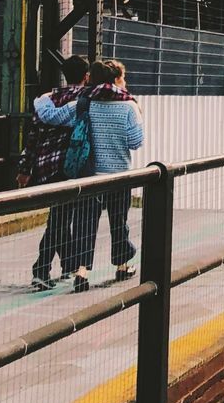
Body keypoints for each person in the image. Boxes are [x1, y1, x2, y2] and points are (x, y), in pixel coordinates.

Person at [34, 59, 144, 292]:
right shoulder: (129, 105)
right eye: (122, 78)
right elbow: (136, 142)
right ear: (116, 80)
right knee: (119, 222)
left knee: (85, 223)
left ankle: (82, 272)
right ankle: (122, 264)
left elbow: (53, 116)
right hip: (119, 175)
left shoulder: (83, 103)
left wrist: (41, 99)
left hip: (89, 174)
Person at [19, 55, 90, 290]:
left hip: (45, 166)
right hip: (70, 166)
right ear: (86, 76)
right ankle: (41, 270)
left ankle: (68, 263)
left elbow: (32, 137)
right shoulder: (85, 101)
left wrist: (25, 169)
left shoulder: (47, 101)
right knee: (59, 220)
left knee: (60, 215)